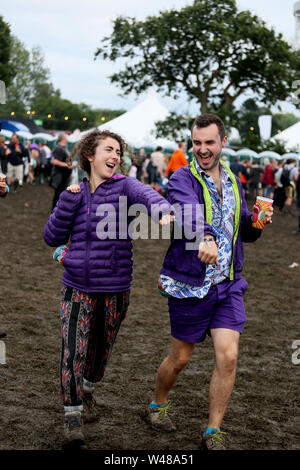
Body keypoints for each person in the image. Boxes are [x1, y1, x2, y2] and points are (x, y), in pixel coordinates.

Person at [148, 114, 273, 450]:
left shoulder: (234, 181)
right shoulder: (182, 177)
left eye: (209, 143)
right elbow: (188, 210)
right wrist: (204, 236)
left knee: (228, 357)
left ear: (223, 142)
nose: (202, 149)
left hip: (228, 284)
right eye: (197, 142)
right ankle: (158, 404)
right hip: (190, 283)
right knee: (181, 358)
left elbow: (244, 230)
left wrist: (258, 222)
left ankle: (212, 431)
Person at [43, 130, 172, 450]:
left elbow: (150, 196)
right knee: (73, 351)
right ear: (90, 155)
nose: (115, 156)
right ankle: (72, 418)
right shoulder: (73, 194)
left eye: (118, 151)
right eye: (108, 150)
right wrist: (66, 207)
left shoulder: (126, 186)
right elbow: (52, 236)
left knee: (101, 350)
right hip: (77, 289)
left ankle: (88, 389)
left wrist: (163, 211)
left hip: (116, 289)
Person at [50, 133, 75, 210]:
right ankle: (55, 210)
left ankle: (57, 209)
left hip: (64, 175)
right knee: (58, 193)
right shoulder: (59, 148)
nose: (67, 139)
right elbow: (55, 161)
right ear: (63, 139)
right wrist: (68, 165)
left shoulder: (63, 148)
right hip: (59, 175)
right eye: (66, 137)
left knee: (61, 193)